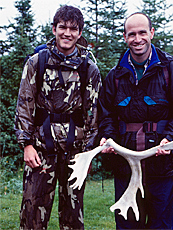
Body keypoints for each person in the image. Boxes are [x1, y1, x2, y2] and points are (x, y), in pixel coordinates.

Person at [98, 12, 173, 229]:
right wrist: (108, 139)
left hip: (162, 167)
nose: (138, 38)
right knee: (127, 226)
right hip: (126, 168)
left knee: (160, 225)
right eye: (132, 34)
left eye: (142, 32)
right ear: (125, 37)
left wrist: (169, 139)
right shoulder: (115, 76)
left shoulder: (171, 70)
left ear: (151, 33)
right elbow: (105, 116)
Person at [14, 5, 101, 229]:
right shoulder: (37, 62)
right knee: (32, 216)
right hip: (40, 150)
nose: (67, 33)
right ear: (54, 29)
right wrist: (26, 145)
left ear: (79, 33)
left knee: (73, 217)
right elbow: (25, 104)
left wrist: (89, 154)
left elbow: (93, 113)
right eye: (62, 27)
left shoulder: (88, 68)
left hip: (75, 153)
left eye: (73, 29)